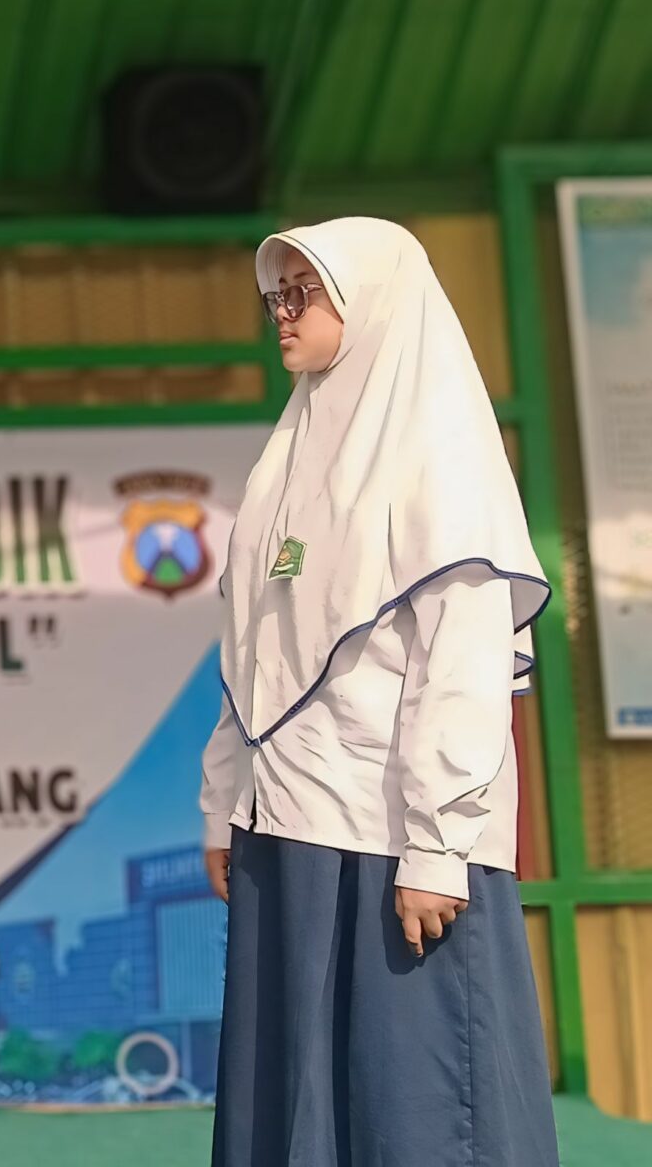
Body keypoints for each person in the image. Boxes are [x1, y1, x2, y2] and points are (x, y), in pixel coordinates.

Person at [201, 217, 558, 1165]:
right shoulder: (289, 459)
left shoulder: (441, 460)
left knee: (423, 1110)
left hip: (394, 842)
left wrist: (439, 848)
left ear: (371, 304)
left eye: (303, 293)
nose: (281, 313)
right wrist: (223, 801)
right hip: (289, 832)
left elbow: (464, 662)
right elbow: (252, 649)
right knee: (296, 1110)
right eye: (275, 295)